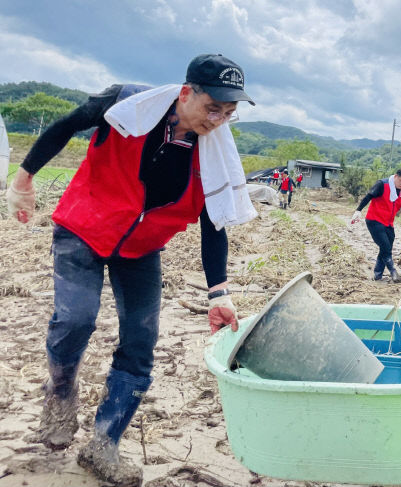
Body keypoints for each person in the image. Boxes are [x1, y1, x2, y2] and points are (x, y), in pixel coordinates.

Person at [5, 54, 257, 486]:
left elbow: (215, 224)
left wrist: (219, 293)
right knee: (75, 319)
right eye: (212, 107)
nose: (218, 121)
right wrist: (24, 178)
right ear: (185, 93)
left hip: (141, 249)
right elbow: (68, 124)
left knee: (141, 344)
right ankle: (61, 393)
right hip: (84, 227)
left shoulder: (214, 156)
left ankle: (104, 443)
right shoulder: (126, 104)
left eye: (228, 113)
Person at [351, 168, 401, 282]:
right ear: (395, 176)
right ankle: (393, 272)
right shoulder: (382, 184)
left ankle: (377, 275)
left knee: (386, 247)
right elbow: (368, 196)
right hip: (374, 220)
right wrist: (358, 211)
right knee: (385, 247)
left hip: (388, 223)